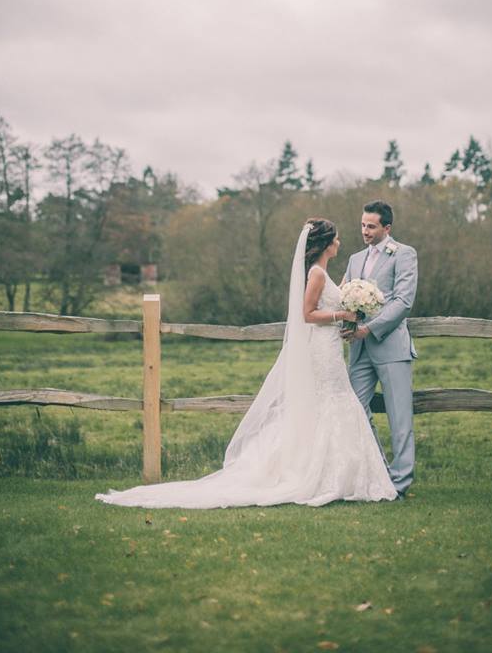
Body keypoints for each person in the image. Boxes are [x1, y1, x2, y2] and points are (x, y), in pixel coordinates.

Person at [96, 218, 397, 508]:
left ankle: (337, 476)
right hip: (321, 350)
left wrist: (352, 307)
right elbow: (307, 315)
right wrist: (342, 316)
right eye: (336, 238)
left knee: (330, 404)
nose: (340, 242)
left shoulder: (321, 271)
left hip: (329, 347)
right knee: (333, 402)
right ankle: (324, 477)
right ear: (326, 244)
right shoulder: (317, 274)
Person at [342, 201, 418, 496]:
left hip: (390, 346)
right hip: (359, 351)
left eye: (371, 226)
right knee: (354, 411)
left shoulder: (404, 254)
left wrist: (369, 329)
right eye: (363, 225)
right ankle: (381, 472)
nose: (365, 231)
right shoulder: (354, 258)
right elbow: (345, 297)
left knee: (400, 419)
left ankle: (400, 483)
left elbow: (403, 301)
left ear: (387, 227)